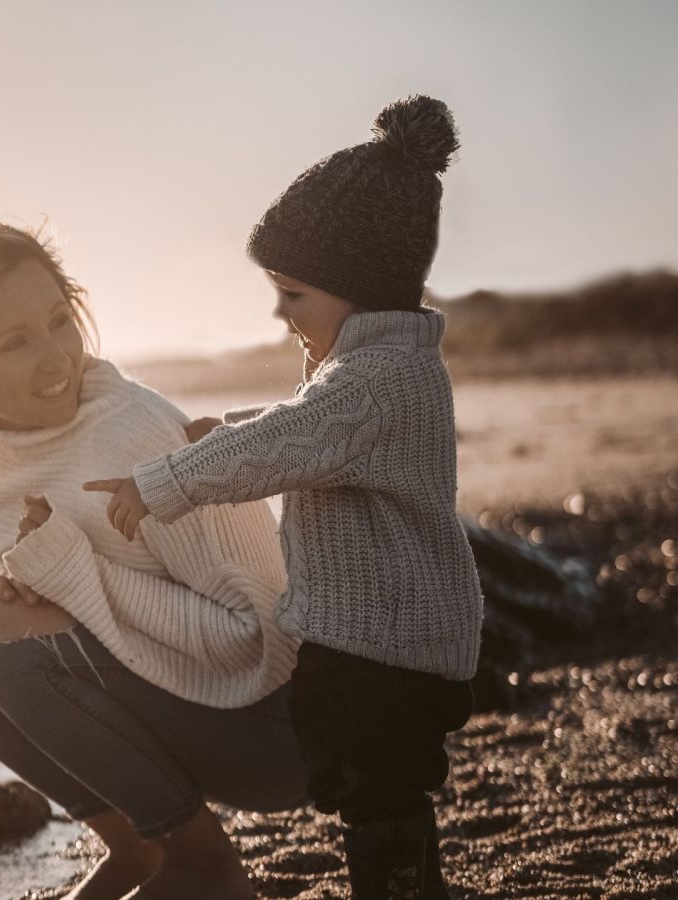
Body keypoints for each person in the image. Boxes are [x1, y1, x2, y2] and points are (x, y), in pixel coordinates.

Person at [85, 95, 482, 899]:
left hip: (391, 648)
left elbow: (292, 441)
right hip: (378, 639)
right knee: (373, 787)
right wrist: (223, 427)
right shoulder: (372, 373)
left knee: (381, 796)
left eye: (295, 295)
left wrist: (161, 484)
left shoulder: (377, 379)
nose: (281, 314)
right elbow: (301, 427)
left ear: (357, 286)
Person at [0, 220, 306, 900]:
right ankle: (136, 847)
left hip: (272, 726)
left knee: (2, 645)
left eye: (58, 321)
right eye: (15, 343)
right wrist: (20, 583)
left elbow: (263, 639)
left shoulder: (135, 435)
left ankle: (204, 865)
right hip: (165, 707)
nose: (55, 359)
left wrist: (72, 573)